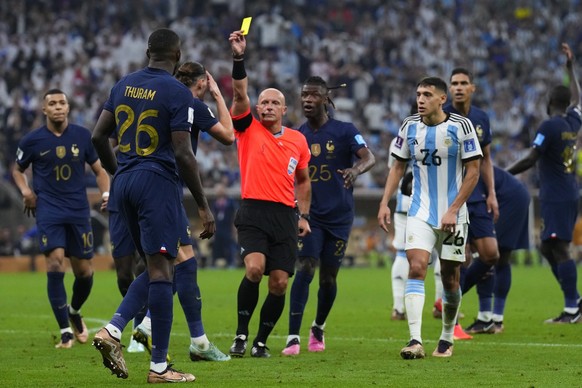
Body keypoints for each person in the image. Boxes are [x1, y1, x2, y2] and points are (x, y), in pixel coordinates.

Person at [91, 28, 212, 383]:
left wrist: (121, 172)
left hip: (124, 181)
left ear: (147, 52)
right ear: (177, 56)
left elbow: (98, 136)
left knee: (158, 265)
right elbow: (182, 152)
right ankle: (156, 365)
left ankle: (115, 329)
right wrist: (203, 205)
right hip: (155, 182)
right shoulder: (177, 91)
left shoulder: (123, 84)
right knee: (162, 272)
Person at [132, 61, 234, 362]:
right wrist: (218, 96)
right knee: (164, 265)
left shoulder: (155, 98)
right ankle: (125, 327)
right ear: (201, 82)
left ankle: (156, 329)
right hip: (163, 189)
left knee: (181, 261)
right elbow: (229, 135)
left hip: (134, 182)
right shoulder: (191, 104)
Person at [378, 77, 482, 359]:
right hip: (419, 212)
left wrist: (453, 208)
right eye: (418, 94)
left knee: (450, 278)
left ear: (442, 99)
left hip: (454, 215)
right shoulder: (409, 125)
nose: (420, 99)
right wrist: (385, 202)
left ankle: (446, 338)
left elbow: (474, 172)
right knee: (417, 267)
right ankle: (414, 340)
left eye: (426, 94)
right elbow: (397, 167)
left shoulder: (461, 127)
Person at [227, 29, 312, 359]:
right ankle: (240, 335)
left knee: (279, 283)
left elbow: (303, 181)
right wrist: (238, 57)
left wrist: (302, 215)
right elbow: (238, 94)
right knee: (254, 270)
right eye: (263, 101)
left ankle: (261, 341)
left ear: (285, 110)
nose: (268, 106)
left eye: (275, 102)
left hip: (285, 216)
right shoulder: (247, 129)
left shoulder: (297, 141)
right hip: (253, 212)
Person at [281, 76, 375, 356]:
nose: (307, 99)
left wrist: (355, 171)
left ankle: (318, 326)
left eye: (313, 95)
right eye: (304, 94)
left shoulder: (345, 131)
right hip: (309, 216)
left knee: (328, 278)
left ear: (325, 99)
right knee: (306, 268)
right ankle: (293, 337)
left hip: (339, 216)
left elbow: (369, 157)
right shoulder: (297, 135)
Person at [12, 88, 110, 350]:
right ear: (44, 109)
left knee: (85, 272)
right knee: (55, 263)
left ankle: (74, 311)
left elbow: (100, 170)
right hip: (49, 211)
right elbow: (17, 170)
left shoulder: (82, 136)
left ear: (68, 108)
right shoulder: (32, 140)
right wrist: (26, 191)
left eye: (61, 103)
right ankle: (65, 332)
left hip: (78, 211)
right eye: (52, 103)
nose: (57, 107)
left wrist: (106, 193)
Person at [507, 43, 582, 324]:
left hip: (557, 195)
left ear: (549, 103)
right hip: (567, 191)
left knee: (559, 248)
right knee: (547, 248)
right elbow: (579, 97)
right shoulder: (572, 122)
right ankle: (574, 300)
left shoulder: (548, 126)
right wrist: (570, 69)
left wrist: (503, 172)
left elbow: (531, 157)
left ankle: (572, 309)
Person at [441, 67, 499, 338]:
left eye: (464, 83)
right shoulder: (442, 117)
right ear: (449, 89)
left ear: (472, 88)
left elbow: (486, 159)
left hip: (478, 197)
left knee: (490, 254)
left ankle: (452, 295)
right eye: (454, 83)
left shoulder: (481, 118)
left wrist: (492, 194)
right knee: (460, 258)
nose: (459, 87)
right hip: (453, 197)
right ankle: (453, 322)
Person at [467, 166, 530, 333]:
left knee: (490, 255)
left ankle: (488, 318)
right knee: (497, 259)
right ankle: (492, 318)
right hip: (514, 194)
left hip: (508, 199)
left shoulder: (465, 166)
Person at [210, 182, 238, 268]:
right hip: (218, 228)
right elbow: (213, 216)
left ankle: (231, 263)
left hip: (227, 228)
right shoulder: (214, 202)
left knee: (229, 246)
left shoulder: (231, 201)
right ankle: (214, 263)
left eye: (220, 189)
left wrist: (234, 229)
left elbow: (234, 215)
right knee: (216, 246)